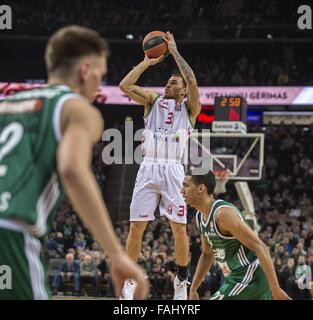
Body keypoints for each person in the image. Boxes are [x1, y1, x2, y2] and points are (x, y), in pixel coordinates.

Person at [0, 25, 148, 300]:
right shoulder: (77, 109)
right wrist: (116, 255)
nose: (99, 85)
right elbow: (72, 169)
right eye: (101, 77)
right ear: (85, 70)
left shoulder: (6, 104)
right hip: (10, 232)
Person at [119, 31, 201, 299]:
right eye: (167, 81)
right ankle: (130, 281)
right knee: (136, 228)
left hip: (173, 170)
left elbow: (191, 79)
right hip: (149, 167)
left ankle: (181, 282)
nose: (168, 83)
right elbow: (125, 86)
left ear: (183, 91)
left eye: (173, 82)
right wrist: (147, 62)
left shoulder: (190, 110)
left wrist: (174, 52)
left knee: (179, 228)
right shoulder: (153, 101)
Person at [182, 171, 291, 300]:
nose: (182, 190)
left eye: (186, 185)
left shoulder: (223, 214)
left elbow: (261, 247)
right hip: (234, 278)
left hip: (250, 276)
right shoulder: (200, 217)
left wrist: (276, 289)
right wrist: (193, 289)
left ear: (201, 188)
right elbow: (207, 254)